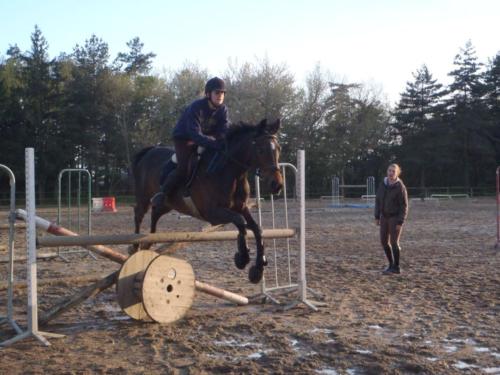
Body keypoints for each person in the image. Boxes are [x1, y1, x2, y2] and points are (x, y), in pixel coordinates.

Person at [151, 77, 230, 208]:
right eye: (217, 92)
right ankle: (162, 193)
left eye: (222, 93)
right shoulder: (196, 107)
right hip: (184, 138)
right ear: (208, 94)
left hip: (206, 138)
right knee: (184, 167)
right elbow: (195, 134)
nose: (220, 96)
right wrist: (215, 143)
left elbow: (224, 130)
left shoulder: (223, 110)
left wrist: (222, 142)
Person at [374, 163, 408, 274]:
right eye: (389, 170)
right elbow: (378, 201)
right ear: (387, 172)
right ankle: (390, 264)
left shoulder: (400, 187)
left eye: (393, 171)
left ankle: (396, 267)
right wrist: (377, 216)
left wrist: (400, 221)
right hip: (384, 217)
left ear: (397, 173)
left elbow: (404, 205)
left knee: (394, 242)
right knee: (384, 242)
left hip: (395, 217)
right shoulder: (382, 185)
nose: (391, 173)